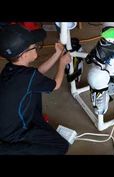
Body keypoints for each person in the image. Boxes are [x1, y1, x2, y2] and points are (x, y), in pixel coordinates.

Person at [0, 24, 71, 155]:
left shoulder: (11, 69)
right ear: (24, 55)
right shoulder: (27, 77)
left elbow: (37, 74)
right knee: (61, 147)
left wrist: (57, 54)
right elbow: (56, 85)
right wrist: (62, 63)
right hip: (16, 134)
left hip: (7, 124)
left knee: (34, 90)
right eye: (34, 46)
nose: (37, 47)